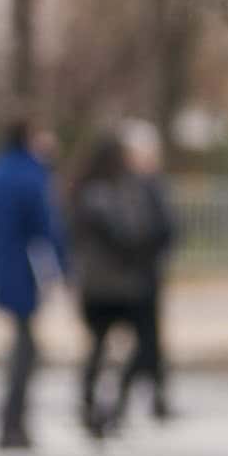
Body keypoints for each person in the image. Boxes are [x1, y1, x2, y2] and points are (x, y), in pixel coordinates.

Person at [0, 119, 63, 449]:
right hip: (26, 267)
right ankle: (12, 421)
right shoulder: (33, 174)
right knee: (26, 346)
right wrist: (62, 268)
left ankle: (12, 420)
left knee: (24, 341)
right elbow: (46, 226)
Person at [68, 131, 160, 439]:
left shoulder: (84, 190)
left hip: (94, 283)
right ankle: (112, 404)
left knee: (97, 345)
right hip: (120, 283)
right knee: (135, 343)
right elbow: (132, 232)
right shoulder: (120, 191)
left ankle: (91, 402)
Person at [119, 119, 177, 424]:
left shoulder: (150, 183)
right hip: (136, 273)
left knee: (151, 339)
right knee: (145, 340)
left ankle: (156, 395)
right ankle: (123, 396)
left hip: (147, 271)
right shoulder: (132, 186)